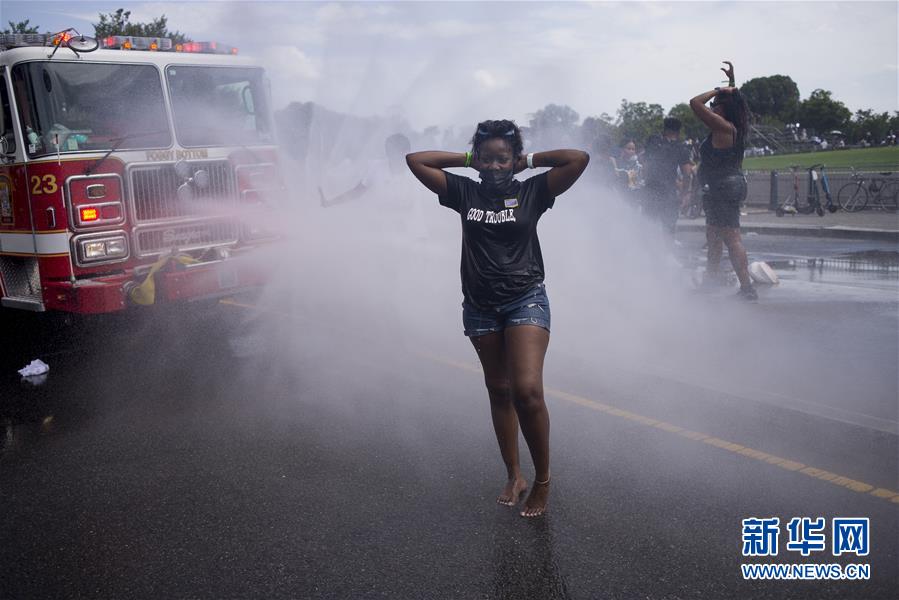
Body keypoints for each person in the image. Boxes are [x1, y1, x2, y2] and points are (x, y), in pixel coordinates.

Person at [405, 120, 589, 517]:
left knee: (527, 391)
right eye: (486, 159)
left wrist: (529, 161)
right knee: (499, 389)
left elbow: (577, 158)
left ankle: (542, 480)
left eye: (502, 159)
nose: (493, 167)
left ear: (514, 159)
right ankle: (514, 475)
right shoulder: (464, 191)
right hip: (480, 304)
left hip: (525, 298)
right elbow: (416, 160)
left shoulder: (532, 191)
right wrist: (467, 160)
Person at [690, 61, 757, 300]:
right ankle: (711, 280)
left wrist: (718, 90)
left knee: (731, 238)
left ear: (723, 108)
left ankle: (747, 288)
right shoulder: (733, 126)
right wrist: (731, 84)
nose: (711, 108)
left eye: (715, 105)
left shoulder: (722, 126)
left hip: (722, 187)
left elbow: (694, 103)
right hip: (726, 186)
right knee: (714, 235)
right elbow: (734, 101)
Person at [641, 119, 694, 237]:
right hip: (669, 193)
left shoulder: (653, 143)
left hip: (651, 191)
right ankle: (667, 248)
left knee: (647, 228)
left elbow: (645, 166)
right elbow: (687, 173)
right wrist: (685, 193)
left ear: (664, 130)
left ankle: (645, 248)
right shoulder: (681, 148)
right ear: (678, 132)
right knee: (668, 229)